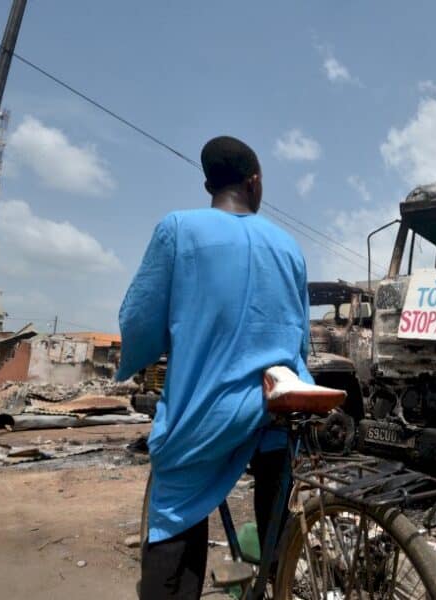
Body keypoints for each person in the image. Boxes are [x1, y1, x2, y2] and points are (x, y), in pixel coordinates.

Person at [117, 136, 313, 599]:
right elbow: (301, 337)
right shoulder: (289, 247)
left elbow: (138, 319)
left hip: (208, 410)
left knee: (176, 511)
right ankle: (276, 576)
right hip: (278, 402)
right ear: (255, 182)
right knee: (277, 501)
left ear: (209, 185)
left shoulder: (179, 229)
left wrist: (149, 353)